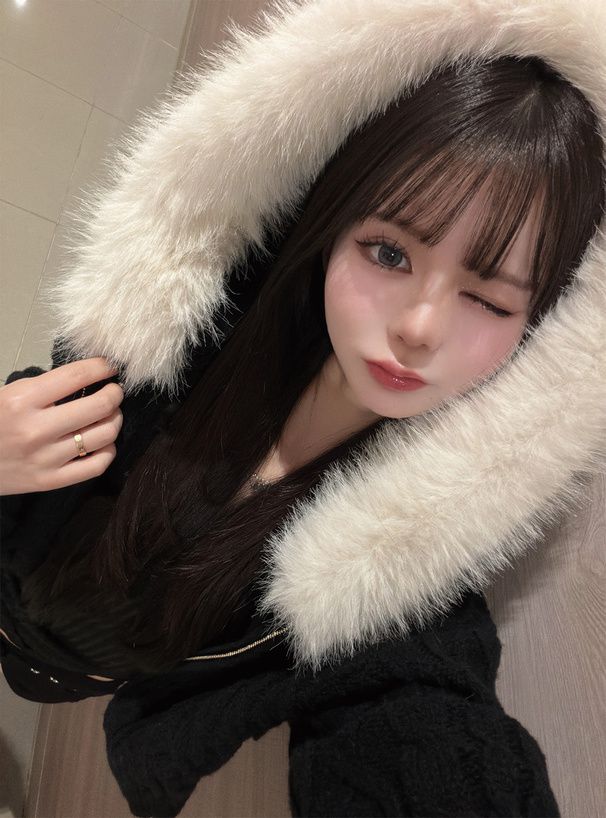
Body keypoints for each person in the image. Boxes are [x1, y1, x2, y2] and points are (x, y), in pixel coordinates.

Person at [1, 0, 605, 815]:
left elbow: (420, 732)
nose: (420, 328)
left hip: (78, 678)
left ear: (537, 329)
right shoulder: (171, 351)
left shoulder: (394, 581)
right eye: (388, 252)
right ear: (330, 225)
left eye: (489, 299)